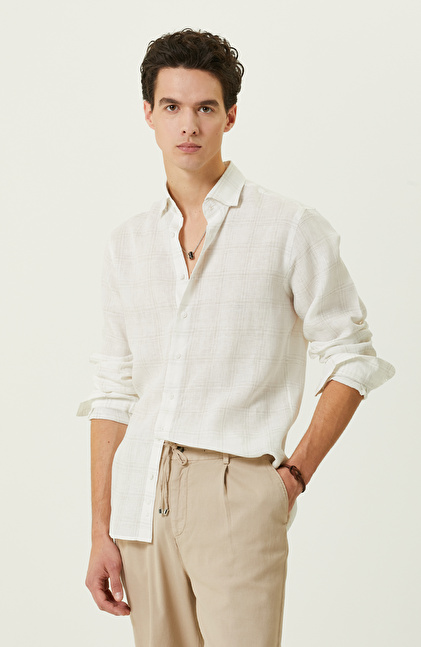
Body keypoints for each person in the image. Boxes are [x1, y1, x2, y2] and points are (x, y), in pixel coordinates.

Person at [77, 28, 395, 647]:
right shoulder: (127, 244)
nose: (188, 125)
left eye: (205, 107)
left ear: (230, 115)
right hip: (140, 496)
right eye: (171, 106)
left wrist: (291, 478)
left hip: (237, 490)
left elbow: (353, 356)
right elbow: (114, 392)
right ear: (148, 114)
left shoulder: (288, 227)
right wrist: (99, 530)